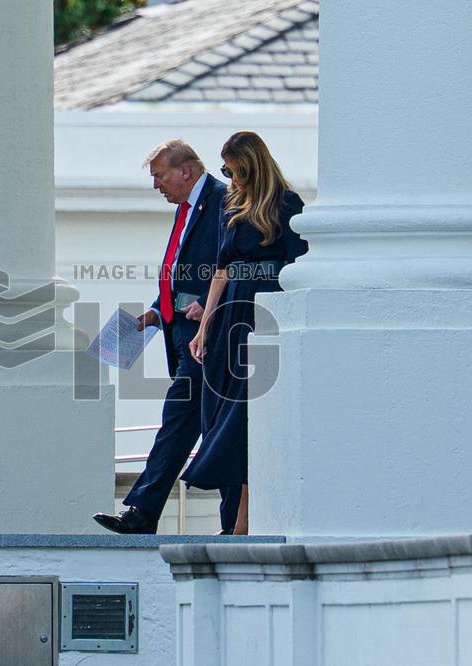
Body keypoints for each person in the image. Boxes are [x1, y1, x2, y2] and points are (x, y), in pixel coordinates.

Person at [93, 139, 242, 534]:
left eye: (159, 176)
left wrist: (207, 310)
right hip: (180, 337)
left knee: (196, 425)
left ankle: (145, 513)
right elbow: (183, 271)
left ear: (185, 172)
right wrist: (158, 311)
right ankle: (213, 523)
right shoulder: (186, 209)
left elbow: (228, 266)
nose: (156, 185)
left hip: (208, 338)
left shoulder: (223, 202)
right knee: (206, 427)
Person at [183, 131, 308, 534]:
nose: (231, 179)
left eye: (236, 171)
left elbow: (297, 267)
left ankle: (243, 523)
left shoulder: (288, 205)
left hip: (266, 309)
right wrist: (204, 326)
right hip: (230, 316)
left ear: (253, 166)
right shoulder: (231, 204)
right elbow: (221, 268)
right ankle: (234, 520)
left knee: (247, 413)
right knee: (220, 410)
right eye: (226, 172)